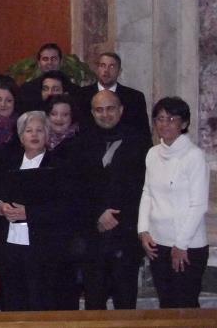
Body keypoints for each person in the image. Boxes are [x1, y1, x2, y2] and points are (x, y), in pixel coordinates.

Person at [0, 110, 75, 311]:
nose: (34, 135)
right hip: (11, 247)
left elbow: (66, 207)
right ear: (21, 137)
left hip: (44, 248)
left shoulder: (58, 166)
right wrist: (0, 206)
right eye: (29, 130)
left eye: (40, 130)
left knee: (41, 303)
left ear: (47, 136)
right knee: (13, 303)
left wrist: (29, 213)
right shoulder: (7, 163)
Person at [79, 90, 150, 310]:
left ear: (121, 110)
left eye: (110, 108)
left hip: (125, 235)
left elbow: (143, 188)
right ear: (92, 113)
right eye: (99, 110)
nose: (105, 114)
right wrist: (98, 214)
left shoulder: (139, 143)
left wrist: (117, 216)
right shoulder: (81, 143)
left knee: (126, 303)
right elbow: (76, 188)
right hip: (93, 236)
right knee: (94, 305)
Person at [138, 97, 210, 308]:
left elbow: (198, 205)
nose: (164, 124)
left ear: (184, 124)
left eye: (171, 119)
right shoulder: (152, 153)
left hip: (187, 246)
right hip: (157, 243)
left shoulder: (194, 156)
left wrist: (180, 245)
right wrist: (143, 231)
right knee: (166, 305)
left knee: (185, 306)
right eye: (160, 119)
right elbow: (147, 193)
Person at [76, 52, 151, 145]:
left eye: (111, 66)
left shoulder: (134, 97)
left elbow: (143, 133)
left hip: (126, 152)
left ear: (119, 71)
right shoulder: (80, 95)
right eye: (102, 65)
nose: (106, 70)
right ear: (97, 69)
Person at [18, 43, 76, 112]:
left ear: (61, 62)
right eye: (45, 59)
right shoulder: (27, 90)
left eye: (54, 59)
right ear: (39, 63)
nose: (49, 62)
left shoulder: (72, 89)